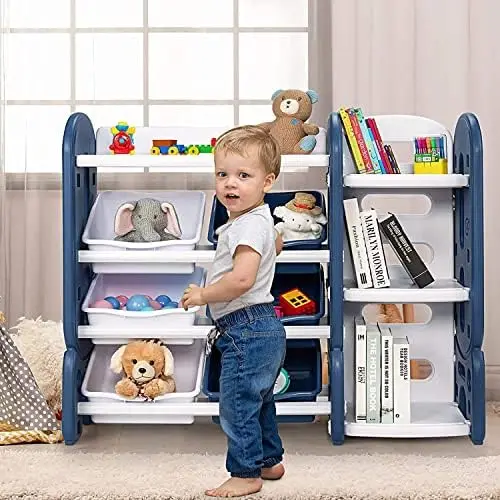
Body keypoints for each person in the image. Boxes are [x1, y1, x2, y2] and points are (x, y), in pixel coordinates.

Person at [181, 125, 286, 498]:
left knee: (238, 403)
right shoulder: (255, 223)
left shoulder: (247, 227)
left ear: (267, 182)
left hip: (247, 328)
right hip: (261, 327)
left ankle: (244, 473)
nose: (230, 184)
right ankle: (269, 460)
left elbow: (241, 280)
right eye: (223, 174)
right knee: (259, 400)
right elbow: (273, 245)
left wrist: (204, 294)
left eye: (244, 175)